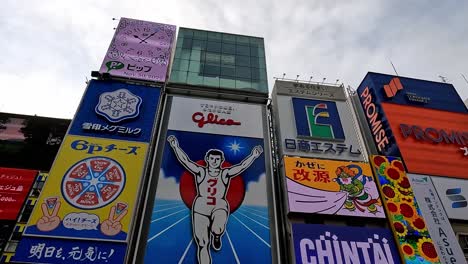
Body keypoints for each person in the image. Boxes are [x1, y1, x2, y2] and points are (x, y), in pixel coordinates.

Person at [167, 135, 263, 264]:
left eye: (217, 159)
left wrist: (253, 155)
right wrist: (175, 147)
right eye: (212, 158)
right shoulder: (201, 171)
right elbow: (186, 161)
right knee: (202, 243)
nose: (214, 161)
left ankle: (217, 236)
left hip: (219, 205)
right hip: (201, 207)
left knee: (217, 229)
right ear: (207, 159)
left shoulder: (225, 173)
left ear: (221, 161)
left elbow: (241, 167)